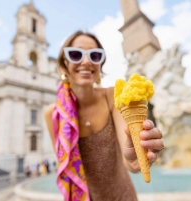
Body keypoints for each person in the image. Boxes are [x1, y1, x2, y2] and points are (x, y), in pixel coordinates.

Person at [44, 31, 164, 201]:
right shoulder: (52, 114)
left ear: (100, 65)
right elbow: (65, 165)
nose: (86, 61)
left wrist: (137, 157)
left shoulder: (112, 96)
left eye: (94, 55)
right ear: (65, 63)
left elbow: (129, 159)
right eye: (76, 54)